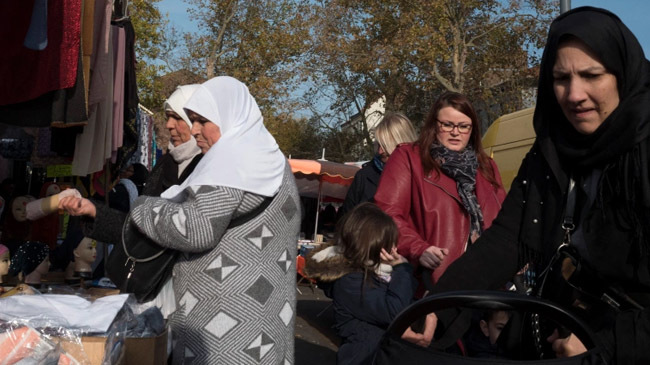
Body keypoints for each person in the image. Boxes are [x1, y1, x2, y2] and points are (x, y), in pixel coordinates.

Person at [421, 7, 650, 363]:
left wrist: (610, 347)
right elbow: (507, 239)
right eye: (561, 78)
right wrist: (438, 305)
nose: (574, 95)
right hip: (560, 334)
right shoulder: (549, 151)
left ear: (623, 74)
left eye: (592, 75)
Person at [125, 76, 301, 364]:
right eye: (192, 120)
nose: (194, 130)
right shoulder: (270, 159)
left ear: (228, 115)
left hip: (227, 329)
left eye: (201, 121)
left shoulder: (232, 161)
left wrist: (144, 207)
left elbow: (196, 229)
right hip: (264, 322)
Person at [374, 92, 506, 290]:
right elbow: (387, 214)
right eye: (447, 125)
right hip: (431, 283)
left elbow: (504, 221)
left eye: (463, 126)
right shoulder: (409, 158)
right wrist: (419, 249)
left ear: (473, 129)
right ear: (434, 124)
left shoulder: (487, 167)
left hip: (484, 283)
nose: (455, 132)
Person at [304, 202, 417, 365]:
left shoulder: (377, 271)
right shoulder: (350, 280)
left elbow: (406, 300)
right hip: (364, 358)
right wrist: (402, 269)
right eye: (389, 243)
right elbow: (394, 312)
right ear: (372, 243)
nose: (395, 248)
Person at [338, 112, 418, 218]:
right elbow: (345, 221)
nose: (380, 151)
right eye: (378, 145)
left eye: (385, 146)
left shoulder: (422, 177)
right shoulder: (364, 177)